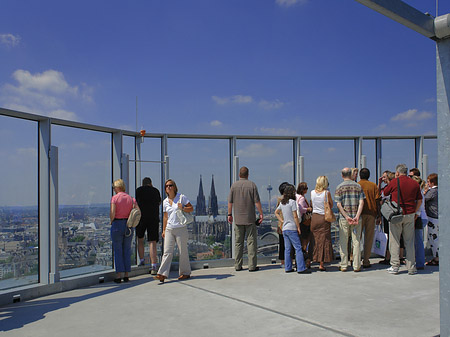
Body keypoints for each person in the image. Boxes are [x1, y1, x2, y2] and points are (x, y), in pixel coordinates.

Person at [383, 164, 422, 275]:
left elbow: (385, 193)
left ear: (397, 173)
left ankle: (395, 266)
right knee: (409, 241)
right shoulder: (415, 183)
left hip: (397, 214)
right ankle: (411, 267)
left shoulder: (395, 182)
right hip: (410, 214)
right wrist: (415, 212)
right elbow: (419, 200)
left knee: (394, 239)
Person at [154, 179, 194, 283]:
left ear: (174, 187)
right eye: (166, 186)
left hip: (180, 228)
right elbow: (165, 217)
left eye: (170, 185)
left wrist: (183, 208)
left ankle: (185, 273)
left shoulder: (181, 197)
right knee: (167, 251)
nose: (168, 187)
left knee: (183, 251)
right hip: (169, 229)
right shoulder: (165, 202)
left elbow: (191, 208)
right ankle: (162, 274)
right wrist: (163, 230)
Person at [228, 166, 263, 272]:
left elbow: (230, 202)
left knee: (238, 243)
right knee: (251, 242)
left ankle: (237, 266)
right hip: (250, 219)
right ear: (248, 175)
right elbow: (257, 202)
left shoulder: (234, 186)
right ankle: (252, 266)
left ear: (239, 175)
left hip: (238, 219)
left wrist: (230, 214)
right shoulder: (252, 185)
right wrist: (261, 214)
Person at [275, 185, 311, 274]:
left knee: (287, 249)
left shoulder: (283, 203)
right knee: (298, 248)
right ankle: (301, 268)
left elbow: (276, 212)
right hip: (292, 228)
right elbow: (295, 216)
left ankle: (288, 268)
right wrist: (298, 227)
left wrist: (282, 221)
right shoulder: (292, 202)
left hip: (285, 228)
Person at [335, 167, 365, 272]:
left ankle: (344, 265)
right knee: (356, 242)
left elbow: (338, 204)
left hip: (344, 218)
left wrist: (346, 216)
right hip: (357, 218)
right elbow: (361, 202)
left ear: (342, 175)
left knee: (343, 241)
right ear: (351, 174)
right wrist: (357, 216)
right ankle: (356, 265)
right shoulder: (358, 186)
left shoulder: (339, 187)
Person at [110, 179, 140, 283]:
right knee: (127, 249)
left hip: (117, 224)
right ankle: (127, 274)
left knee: (118, 250)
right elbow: (138, 211)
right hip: (129, 225)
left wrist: (111, 221)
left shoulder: (115, 198)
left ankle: (119, 275)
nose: (113, 189)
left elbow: (113, 213)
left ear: (117, 187)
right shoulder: (131, 199)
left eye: (114, 187)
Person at [135, 177, 161, 275]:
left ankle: (141, 261)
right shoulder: (155, 191)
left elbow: (135, 203)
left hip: (141, 218)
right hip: (153, 219)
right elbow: (159, 202)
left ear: (142, 184)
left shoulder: (138, 190)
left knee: (140, 239)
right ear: (151, 183)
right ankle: (153, 265)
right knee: (152, 242)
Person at [358, 168, 381, 268]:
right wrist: (379, 215)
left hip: (359, 214)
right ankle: (366, 261)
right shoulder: (373, 185)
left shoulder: (357, 185)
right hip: (371, 213)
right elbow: (377, 201)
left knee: (357, 238)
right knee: (369, 238)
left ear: (359, 175)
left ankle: (356, 259)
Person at [310, 176, 334, 271]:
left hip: (314, 217)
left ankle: (310, 259)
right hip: (324, 218)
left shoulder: (312, 192)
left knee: (314, 239)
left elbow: (312, 205)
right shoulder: (326, 193)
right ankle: (321, 263)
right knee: (323, 240)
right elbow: (331, 205)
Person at [410, 175, 426, 270]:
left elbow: (419, 204)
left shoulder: (418, 192)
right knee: (417, 240)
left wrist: (415, 215)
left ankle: (419, 262)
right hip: (419, 217)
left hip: (417, 218)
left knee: (417, 240)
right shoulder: (419, 192)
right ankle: (419, 261)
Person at [296, 182, 313, 269]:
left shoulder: (295, 196)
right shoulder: (302, 198)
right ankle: (305, 259)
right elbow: (301, 209)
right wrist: (308, 208)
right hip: (304, 223)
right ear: (303, 190)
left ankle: (299, 260)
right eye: (306, 188)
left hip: (298, 222)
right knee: (305, 241)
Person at [424, 173, 439, 266]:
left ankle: (436, 258)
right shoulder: (438, 190)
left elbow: (424, 199)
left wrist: (425, 191)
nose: (427, 183)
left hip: (432, 217)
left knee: (433, 238)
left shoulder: (432, 191)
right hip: (437, 216)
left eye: (428, 182)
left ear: (432, 182)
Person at [277, 182, 290, 268]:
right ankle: (289, 261)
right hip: (289, 224)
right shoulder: (291, 199)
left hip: (281, 225)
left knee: (282, 244)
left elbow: (278, 210)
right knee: (289, 244)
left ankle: (282, 262)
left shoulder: (279, 199)